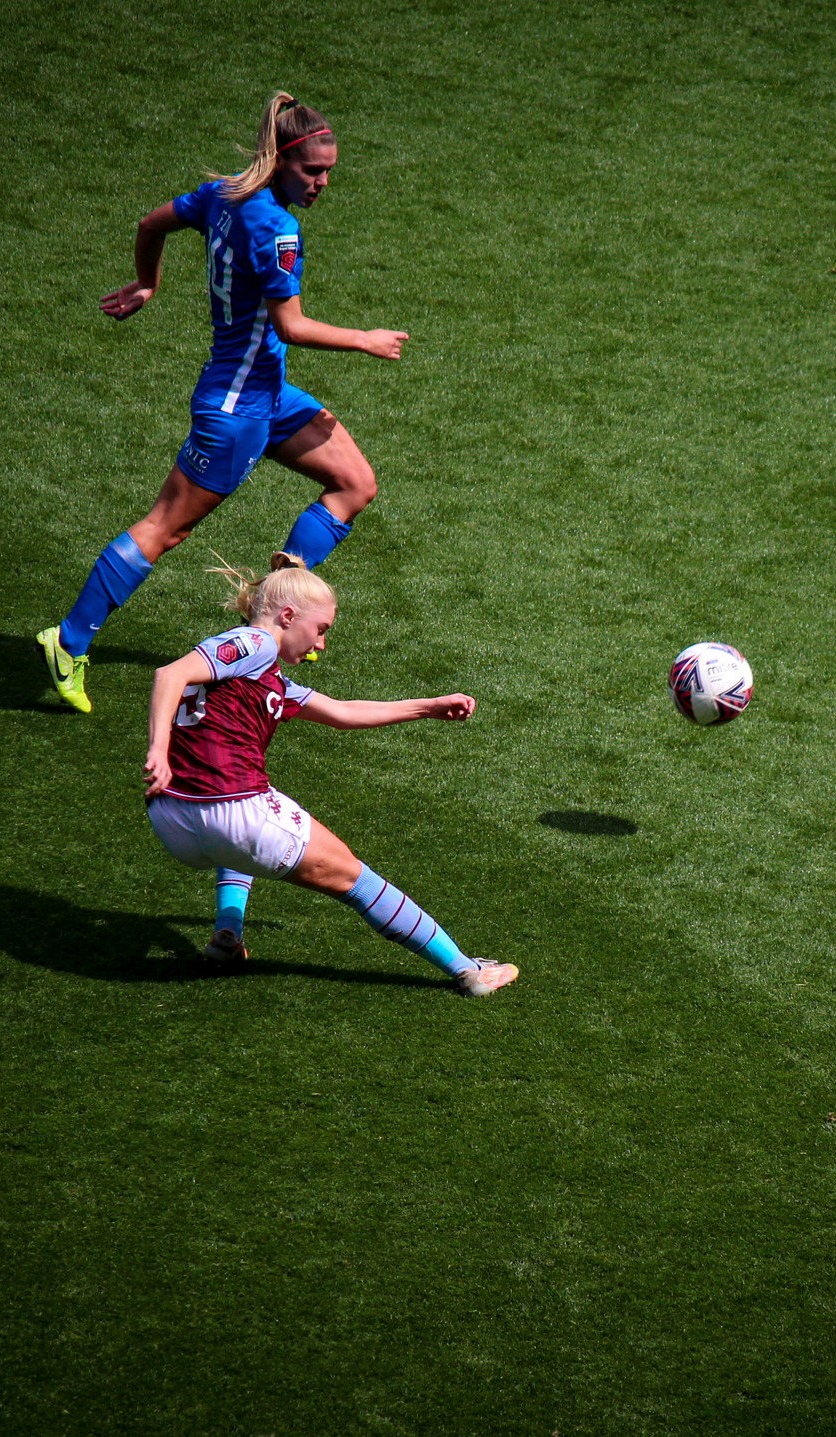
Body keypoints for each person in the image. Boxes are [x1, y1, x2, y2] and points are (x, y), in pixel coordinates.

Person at [37, 91, 409, 713]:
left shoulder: (220, 196)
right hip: (236, 407)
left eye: (328, 173)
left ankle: (281, 586)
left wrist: (148, 280)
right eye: (312, 172)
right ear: (283, 161)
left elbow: (150, 223)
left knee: (355, 482)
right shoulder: (277, 227)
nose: (320, 184)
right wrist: (364, 339)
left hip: (267, 393)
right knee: (166, 527)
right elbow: (289, 326)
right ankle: (68, 641)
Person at [142, 565, 519, 997]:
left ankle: (227, 937)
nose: (321, 644)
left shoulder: (267, 679)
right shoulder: (257, 642)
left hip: (172, 819)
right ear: (287, 616)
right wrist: (158, 748)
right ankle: (469, 971)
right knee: (356, 880)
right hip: (235, 809)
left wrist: (428, 706)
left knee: (243, 841)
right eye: (320, 629)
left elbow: (341, 713)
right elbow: (169, 674)